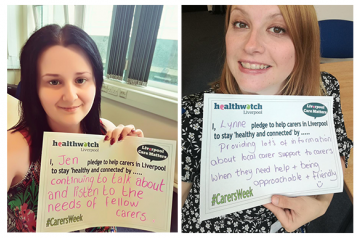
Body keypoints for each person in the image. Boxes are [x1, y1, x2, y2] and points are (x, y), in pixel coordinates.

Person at [181, 5, 353, 233]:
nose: (251, 46)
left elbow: (335, 152)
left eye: (277, 29)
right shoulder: (195, 114)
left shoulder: (323, 90)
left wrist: (323, 203)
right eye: (241, 24)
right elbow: (171, 211)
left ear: (304, 42)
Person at [7, 24, 143, 232]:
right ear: (33, 87)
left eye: (81, 80)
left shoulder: (106, 131)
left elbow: (126, 206)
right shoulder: (11, 148)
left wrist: (137, 161)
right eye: (54, 82)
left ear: (96, 83)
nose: (70, 96)